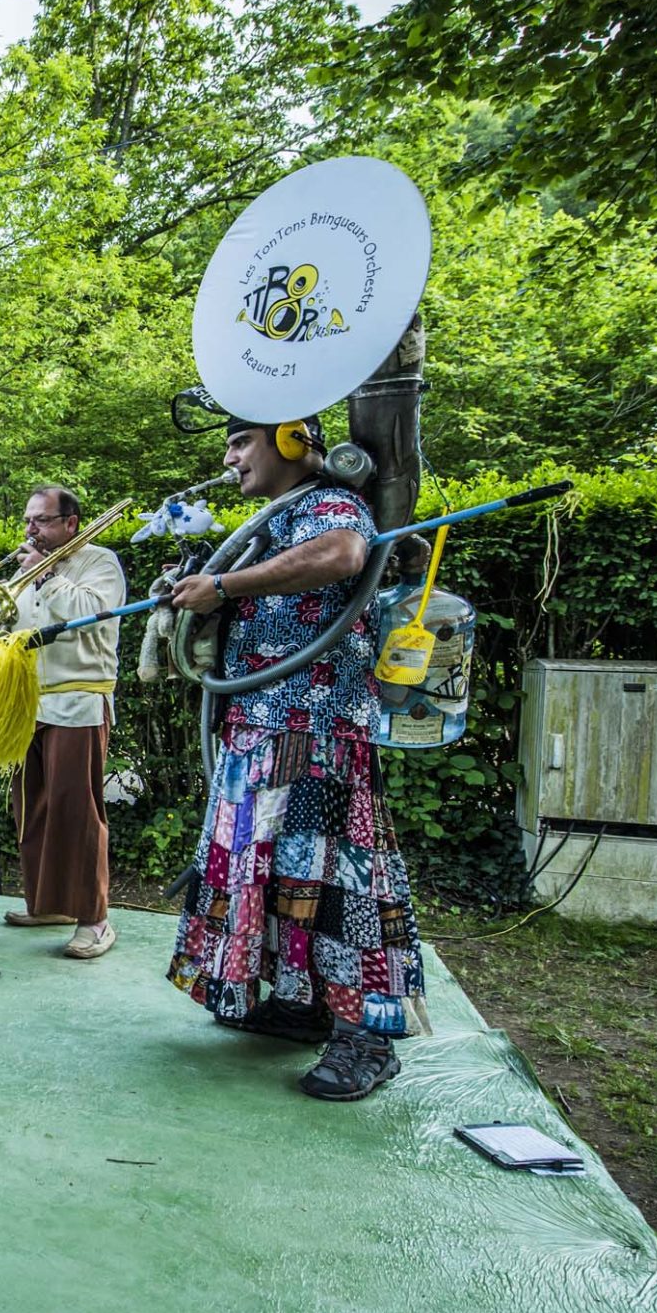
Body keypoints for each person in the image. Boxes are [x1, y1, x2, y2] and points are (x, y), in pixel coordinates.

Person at [162, 415, 426, 1102]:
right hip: (261, 728)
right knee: (277, 877)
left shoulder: (329, 503)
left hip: (317, 732)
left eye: (240, 441)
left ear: (290, 440)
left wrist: (224, 587)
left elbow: (342, 553)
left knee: (335, 883)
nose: (230, 457)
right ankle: (304, 1005)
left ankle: (366, 1037)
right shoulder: (275, 518)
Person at [4, 485, 126, 959]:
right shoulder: (27, 567)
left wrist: (46, 574)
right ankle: (47, 904)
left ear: (70, 522)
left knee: (76, 810)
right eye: (28, 520)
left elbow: (91, 615)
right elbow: (0, 625)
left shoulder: (100, 562)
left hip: (79, 699)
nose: (30, 529)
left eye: (41, 520)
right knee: (31, 807)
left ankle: (95, 919)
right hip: (27, 702)